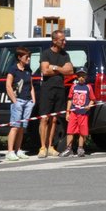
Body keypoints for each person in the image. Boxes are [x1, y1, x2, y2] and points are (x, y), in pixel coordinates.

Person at [37, 29, 74, 157]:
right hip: (47, 89)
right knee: (44, 118)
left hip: (60, 88)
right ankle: (42, 147)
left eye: (65, 39)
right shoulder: (46, 54)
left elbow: (70, 71)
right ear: (54, 41)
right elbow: (45, 71)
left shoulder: (65, 55)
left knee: (54, 119)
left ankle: (50, 145)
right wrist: (61, 69)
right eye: (62, 40)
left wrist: (55, 67)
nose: (65, 42)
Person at [3, 47, 35, 160]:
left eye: (29, 56)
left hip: (27, 101)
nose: (29, 59)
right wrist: (15, 101)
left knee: (22, 127)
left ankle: (18, 149)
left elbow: (30, 85)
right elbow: (8, 86)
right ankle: (10, 151)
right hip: (18, 101)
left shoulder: (28, 69)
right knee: (15, 126)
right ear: (19, 57)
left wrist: (33, 100)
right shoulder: (13, 69)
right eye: (27, 57)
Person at [66, 68, 93, 157]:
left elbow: (93, 99)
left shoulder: (88, 87)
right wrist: (67, 112)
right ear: (77, 77)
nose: (81, 78)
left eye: (83, 76)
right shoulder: (73, 86)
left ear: (86, 76)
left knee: (83, 131)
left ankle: (80, 148)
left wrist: (89, 105)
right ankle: (68, 148)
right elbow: (70, 100)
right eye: (79, 76)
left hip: (83, 113)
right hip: (74, 112)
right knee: (70, 131)